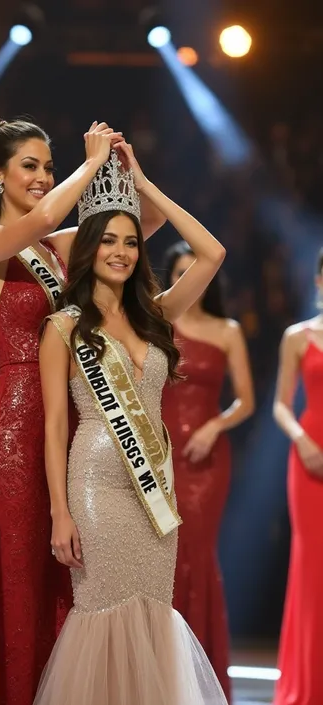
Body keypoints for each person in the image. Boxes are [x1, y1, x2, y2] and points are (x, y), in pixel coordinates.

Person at [0, 118, 167, 705]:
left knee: (73, 584)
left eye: (49, 166)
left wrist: (130, 173)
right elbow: (44, 217)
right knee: (22, 578)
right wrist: (91, 163)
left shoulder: (56, 246)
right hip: (16, 430)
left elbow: (145, 228)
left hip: (75, 425)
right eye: (31, 165)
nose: (43, 177)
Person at [36, 145, 227, 704]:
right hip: (95, 488)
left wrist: (143, 182)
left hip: (154, 495)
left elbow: (212, 253)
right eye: (109, 240)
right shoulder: (63, 327)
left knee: (151, 618)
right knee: (103, 618)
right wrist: (59, 512)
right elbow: (53, 427)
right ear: (90, 248)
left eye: (130, 241)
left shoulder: (156, 313)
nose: (120, 252)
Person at [160, 241, 255, 700]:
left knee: (195, 555)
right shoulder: (157, 323)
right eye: (179, 271)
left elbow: (246, 401)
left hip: (206, 461)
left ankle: (202, 674)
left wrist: (214, 427)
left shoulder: (227, 330)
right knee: (163, 556)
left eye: (193, 272)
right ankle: (162, 671)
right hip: (159, 458)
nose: (186, 280)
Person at [273, 248, 323, 705]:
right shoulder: (297, 336)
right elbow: (281, 404)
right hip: (308, 460)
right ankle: (307, 683)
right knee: (311, 568)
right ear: (319, 280)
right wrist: (301, 441)